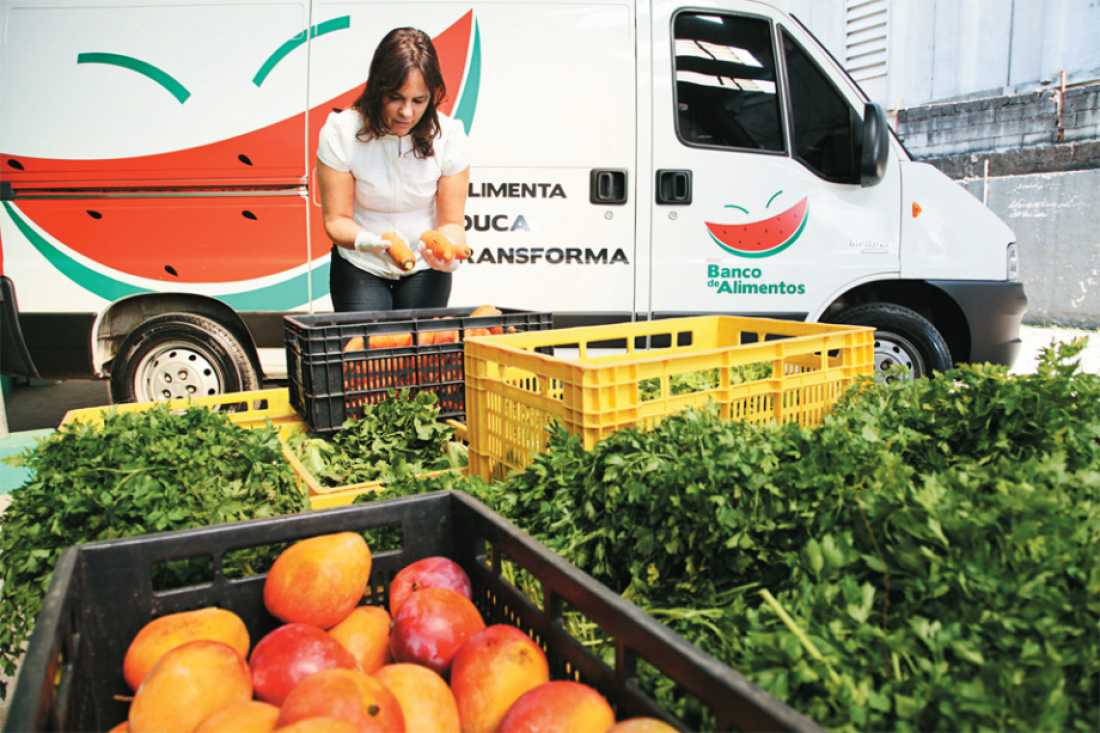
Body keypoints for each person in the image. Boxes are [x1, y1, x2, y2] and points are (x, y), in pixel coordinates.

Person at [317, 27, 470, 312]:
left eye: (418, 100)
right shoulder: (340, 131)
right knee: (366, 351)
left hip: (425, 267)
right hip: (360, 262)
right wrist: (368, 242)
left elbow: (452, 222)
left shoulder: (450, 136)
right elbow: (336, 219)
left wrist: (446, 251)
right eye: (396, 97)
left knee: (420, 354)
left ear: (433, 96)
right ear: (378, 89)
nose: (407, 112)